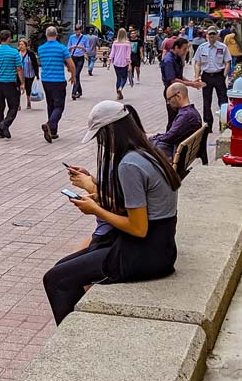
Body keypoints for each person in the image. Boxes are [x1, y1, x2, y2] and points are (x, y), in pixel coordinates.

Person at [42, 100, 181, 324]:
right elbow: (132, 206)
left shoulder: (129, 165)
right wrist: (96, 194)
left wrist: (95, 209)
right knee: (61, 269)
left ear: (111, 132)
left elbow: (138, 228)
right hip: (161, 248)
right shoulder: (146, 153)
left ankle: (76, 338)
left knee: (56, 279)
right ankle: (79, 330)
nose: (102, 144)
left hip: (143, 254)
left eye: (100, 137)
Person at [38, 26, 76, 142]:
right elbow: (71, 64)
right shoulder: (62, 48)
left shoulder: (41, 48)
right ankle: (49, 125)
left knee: (50, 104)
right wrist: (73, 76)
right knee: (59, 106)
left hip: (46, 79)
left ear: (46, 35)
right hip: (58, 80)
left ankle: (53, 132)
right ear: (56, 35)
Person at [151, 84, 204, 162]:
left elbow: (169, 137)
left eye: (169, 99)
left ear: (178, 96)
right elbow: (172, 135)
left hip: (176, 158)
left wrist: (152, 138)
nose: (168, 103)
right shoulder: (191, 112)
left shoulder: (186, 116)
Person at [160, 38, 204, 127]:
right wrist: (191, 84)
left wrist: (191, 82)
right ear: (176, 48)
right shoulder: (169, 60)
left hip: (178, 91)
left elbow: (179, 76)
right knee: (173, 119)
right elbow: (173, 79)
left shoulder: (177, 58)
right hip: (172, 92)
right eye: (184, 49)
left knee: (180, 118)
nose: (186, 51)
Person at [193, 28, 230, 128]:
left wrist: (224, 75)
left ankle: (223, 122)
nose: (212, 36)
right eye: (210, 34)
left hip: (219, 75)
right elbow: (198, 63)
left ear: (217, 35)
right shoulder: (202, 47)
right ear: (207, 35)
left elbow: (227, 62)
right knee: (206, 101)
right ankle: (208, 123)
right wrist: (197, 77)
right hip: (207, 76)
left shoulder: (223, 47)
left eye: (214, 34)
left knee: (223, 100)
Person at [67, 26, 92, 99]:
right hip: (73, 57)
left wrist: (81, 47)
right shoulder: (72, 37)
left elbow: (87, 49)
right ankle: (80, 91)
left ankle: (73, 93)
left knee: (76, 74)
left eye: (78, 30)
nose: (77, 32)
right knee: (76, 75)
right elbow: (68, 47)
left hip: (80, 57)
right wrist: (72, 47)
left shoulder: (85, 38)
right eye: (76, 30)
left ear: (81, 30)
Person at [109, 29, 132, 101]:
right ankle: (120, 88)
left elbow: (112, 52)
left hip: (116, 62)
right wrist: (129, 63)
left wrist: (109, 60)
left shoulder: (115, 43)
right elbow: (128, 55)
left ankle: (118, 94)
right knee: (124, 77)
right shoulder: (127, 43)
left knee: (118, 78)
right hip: (124, 62)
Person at [19, 38, 40, 110]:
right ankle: (18, 104)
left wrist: (37, 75)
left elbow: (35, 64)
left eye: (22, 44)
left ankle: (28, 102)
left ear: (26, 45)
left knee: (28, 88)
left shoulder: (31, 54)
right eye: (19, 45)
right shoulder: (17, 53)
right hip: (19, 74)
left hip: (29, 74)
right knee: (18, 89)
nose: (20, 46)